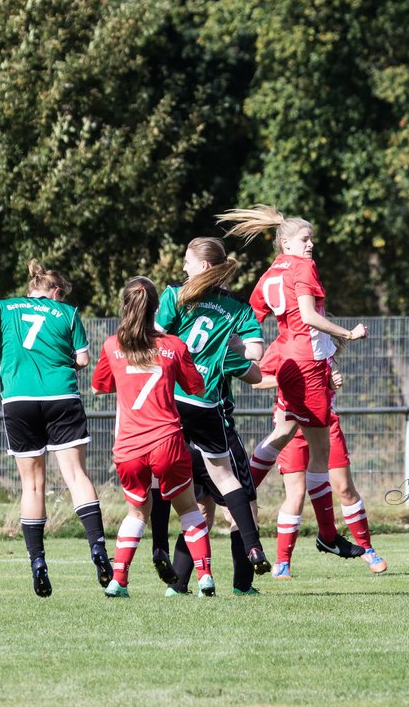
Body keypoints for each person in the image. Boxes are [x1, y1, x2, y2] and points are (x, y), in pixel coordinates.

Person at [217, 205, 370, 560]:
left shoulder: (270, 273)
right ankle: (329, 536)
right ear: (285, 242)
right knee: (320, 456)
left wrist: (232, 351)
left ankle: (238, 493)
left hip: (285, 357)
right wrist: (348, 332)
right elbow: (308, 315)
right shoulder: (302, 266)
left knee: (284, 433)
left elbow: (249, 320)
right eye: (305, 238)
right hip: (306, 364)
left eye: (312, 239)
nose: (311, 244)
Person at [0, 259, 111, 598]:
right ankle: (98, 549)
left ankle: (38, 562)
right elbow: (82, 360)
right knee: (76, 476)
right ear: (57, 292)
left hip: (18, 399)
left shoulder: (2, 307)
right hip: (61, 394)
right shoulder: (66, 313)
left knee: (32, 485)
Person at [149, 237, 269, 589]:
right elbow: (256, 358)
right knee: (238, 493)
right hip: (208, 408)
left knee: (182, 494)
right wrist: (234, 347)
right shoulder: (237, 308)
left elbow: (155, 338)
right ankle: (250, 563)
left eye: (187, 260)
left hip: (169, 403)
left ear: (202, 267)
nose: (183, 266)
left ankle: (169, 569)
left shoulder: (176, 296)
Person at [91, 276, 216, 598]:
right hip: (167, 442)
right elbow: (196, 388)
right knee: (188, 509)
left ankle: (119, 581)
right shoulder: (174, 346)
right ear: (156, 308)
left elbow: (99, 387)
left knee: (137, 513)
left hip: (129, 446)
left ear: (125, 306)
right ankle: (205, 578)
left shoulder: (112, 345)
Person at [253, 346, 387, 577]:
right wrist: (292, 380)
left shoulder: (324, 348)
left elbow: (325, 383)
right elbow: (257, 380)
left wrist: (332, 381)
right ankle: (283, 561)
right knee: (295, 494)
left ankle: (366, 548)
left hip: (325, 423)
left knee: (344, 488)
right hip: (291, 425)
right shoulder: (285, 343)